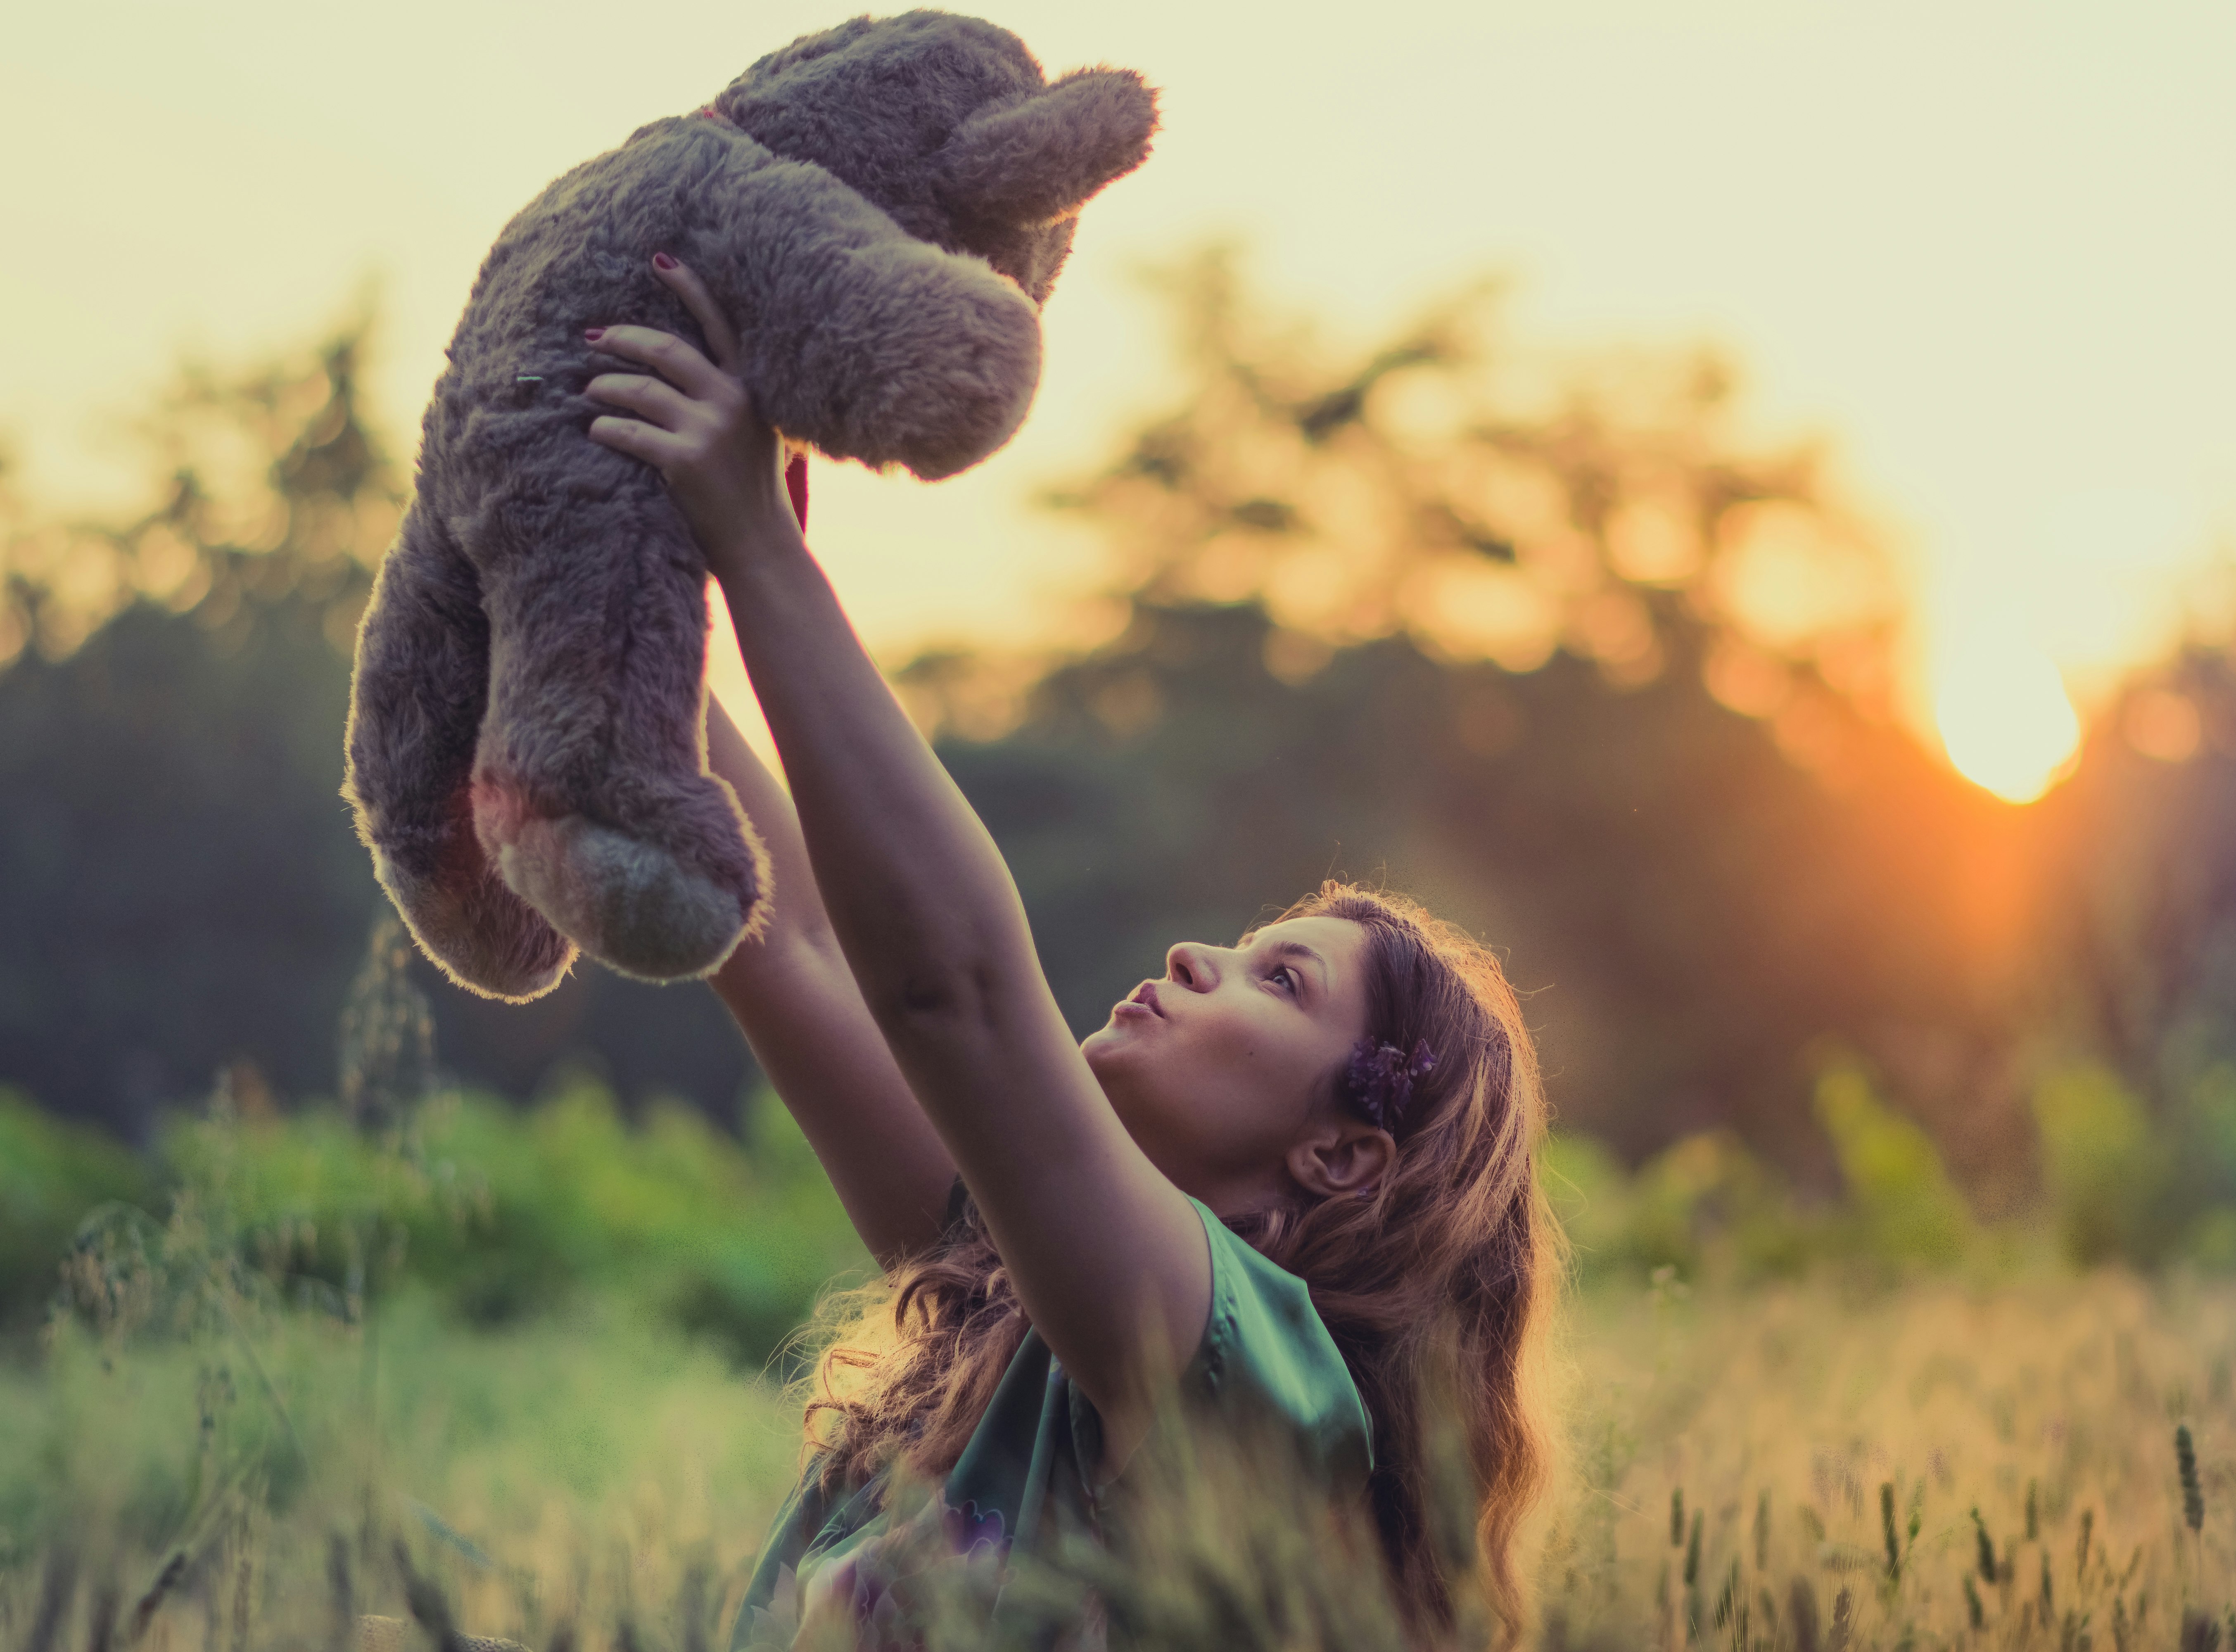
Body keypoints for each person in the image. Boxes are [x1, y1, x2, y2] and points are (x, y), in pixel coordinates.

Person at [581, 254, 1560, 1649]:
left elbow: (955, 998)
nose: (1195, 955)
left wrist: (764, 556)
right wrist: (626, 573)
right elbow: (782, 931)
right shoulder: (1008, 1282)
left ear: (1343, 1156)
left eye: (1279, 979)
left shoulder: (1254, 1386)